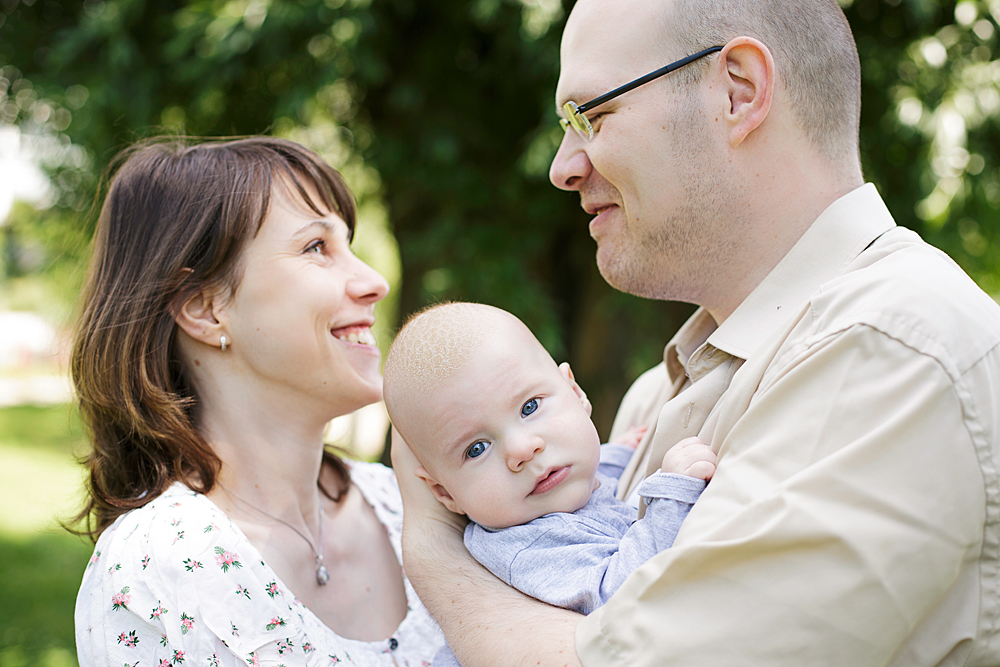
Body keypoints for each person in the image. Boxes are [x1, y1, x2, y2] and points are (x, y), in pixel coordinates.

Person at [391, 0, 1000, 665]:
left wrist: (433, 547)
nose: (562, 166)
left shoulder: (891, 347)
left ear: (737, 91)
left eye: (591, 115)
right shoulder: (653, 400)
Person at [71, 137, 443, 666]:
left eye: (348, 244)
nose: (375, 282)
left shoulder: (414, 503)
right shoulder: (158, 571)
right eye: (317, 247)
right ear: (205, 308)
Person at [381, 302, 714, 666]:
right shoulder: (525, 547)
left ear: (575, 393)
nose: (522, 449)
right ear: (445, 493)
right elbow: (621, 596)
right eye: (476, 449)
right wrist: (670, 498)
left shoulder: (551, 493)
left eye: (529, 408)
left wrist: (619, 453)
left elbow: (595, 488)